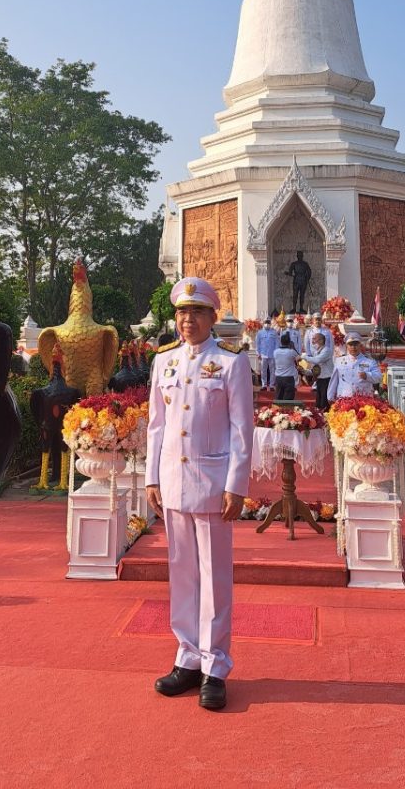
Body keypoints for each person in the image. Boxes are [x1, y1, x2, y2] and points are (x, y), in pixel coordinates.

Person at [146, 277, 254, 712]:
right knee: (183, 575)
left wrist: (236, 484)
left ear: (213, 317)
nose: (187, 320)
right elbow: (156, 425)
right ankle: (187, 657)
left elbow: (242, 429)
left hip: (212, 483)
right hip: (173, 480)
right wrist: (152, 477)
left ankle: (216, 666)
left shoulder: (230, 363)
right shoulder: (164, 362)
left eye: (196, 312)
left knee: (215, 578)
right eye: (181, 313)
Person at [327, 336, 382, 401]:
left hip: (364, 398)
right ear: (347, 346)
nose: (353, 347)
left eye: (356, 344)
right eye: (350, 345)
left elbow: (378, 377)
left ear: (360, 346)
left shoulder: (370, 362)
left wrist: (367, 375)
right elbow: (334, 380)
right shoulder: (339, 361)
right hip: (344, 398)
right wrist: (330, 397)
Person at [307, 329, 335, 410]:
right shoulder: (316, 352)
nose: (312, 341)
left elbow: (317, 360)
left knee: (325, 404)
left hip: (327, 380)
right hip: (320, 380)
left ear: (321, 340)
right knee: (319, 404)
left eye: (314, 339)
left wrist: (303, 356)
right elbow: (316, 369)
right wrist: (305, 371)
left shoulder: (326, 350)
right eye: (312, 339)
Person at [272, 331, 300, 401]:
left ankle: (278, 412)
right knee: (288, 400)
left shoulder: (275, 351)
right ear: (289, 342)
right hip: (289, 378)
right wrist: (293, 347)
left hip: (279, 378)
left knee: (279, 399)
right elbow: (299, 359)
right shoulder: (292, 352)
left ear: (281, 342)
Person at [254, 317, 277, 392]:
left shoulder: (274, 332)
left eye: (268, 323)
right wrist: (258, 353)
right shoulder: (260, 333)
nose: (267, 324)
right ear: (263, 324)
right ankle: (264, 385)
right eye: (266, 323)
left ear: (270, 324)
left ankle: (272, 385)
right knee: (263, 370)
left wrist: (276, 353)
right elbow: (257, 344)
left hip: (272, 354)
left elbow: (277, 343)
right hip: (263, 354)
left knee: (272, 370)